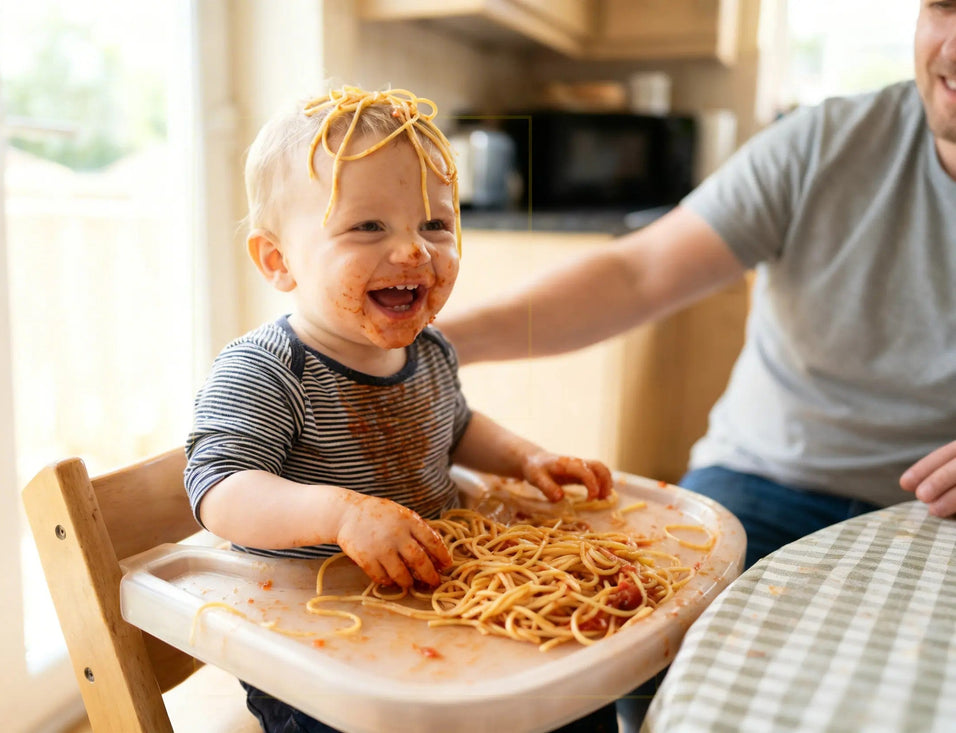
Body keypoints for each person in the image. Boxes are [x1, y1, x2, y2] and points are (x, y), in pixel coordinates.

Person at [439, 0, 956, 575]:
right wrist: (436, 342)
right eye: (945, 7)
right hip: (762, 482)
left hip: (935, 513)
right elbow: (637, 274)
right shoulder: (823, 142)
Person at [183, 85, 615, 733]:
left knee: (576, 694)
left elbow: (455, 427)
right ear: (278, 261)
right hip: (317, 643)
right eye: (367, 226)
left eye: (436, 224)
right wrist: (340, 512)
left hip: (438, 604)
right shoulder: (266, 371)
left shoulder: (431, 349)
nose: (415, 251)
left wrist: (527, 457)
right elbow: (219, 489)